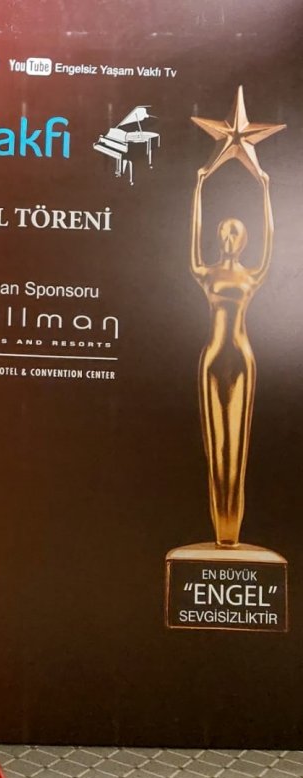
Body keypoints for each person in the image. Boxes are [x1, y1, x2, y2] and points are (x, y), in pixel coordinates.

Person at [190, 162, 273, 546]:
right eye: (224, 231)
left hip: (241, 358)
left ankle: (231, 530)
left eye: (234, 233)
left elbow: (270, 236)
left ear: (243, 241)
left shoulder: (252, 275)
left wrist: (266, 189)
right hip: (212, 358)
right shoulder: (205, 272)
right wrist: (199, 187)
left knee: (236, 446)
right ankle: (220, 529)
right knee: (216, 446)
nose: (228, 237)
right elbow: (193, 233)